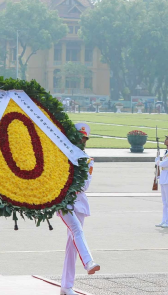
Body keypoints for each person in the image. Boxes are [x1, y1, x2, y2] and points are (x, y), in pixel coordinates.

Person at [59, 123, 100, 295]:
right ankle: (88, 261)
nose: (82, 140)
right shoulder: (63, 156)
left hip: (79, 203)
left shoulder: (87, 160)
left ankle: (66, 286)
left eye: (84, 138)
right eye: (79, 137)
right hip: (64, 203)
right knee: (77, 231)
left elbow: (84, 185)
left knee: (72, 246)